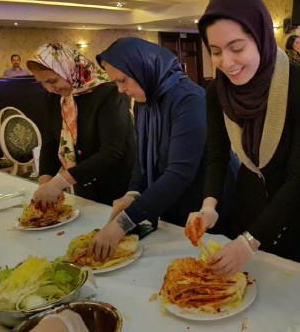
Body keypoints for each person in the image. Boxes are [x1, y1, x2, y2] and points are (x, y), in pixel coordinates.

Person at [185, 0, 300, 276]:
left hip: (295, 210)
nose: (227, 62)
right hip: (248, 203)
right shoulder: (217, 91)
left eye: (237, 48)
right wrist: (208, 205)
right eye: (215, 51)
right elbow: (217, 155)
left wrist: (250, 242)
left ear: (260, 38)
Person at [85, 37, 215, 261]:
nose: (120, 90)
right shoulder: (147, 99)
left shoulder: (189, 99)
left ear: (143, 67)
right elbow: (142, 156)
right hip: (172, 202)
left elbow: (178, 174)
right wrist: (133, 193)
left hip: (203, 203)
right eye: (115, 82)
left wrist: (123, 222)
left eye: (123, 80)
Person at [28, 43, 134, 207]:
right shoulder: (54, 98)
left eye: (52, 81)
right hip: (81, 184)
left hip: (115, 183)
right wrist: (45, 183)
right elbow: (50, 144)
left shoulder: (107, 93)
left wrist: (59, 182)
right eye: (42, 83)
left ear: (69, 69)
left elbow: (112, 152)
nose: (49, 89)